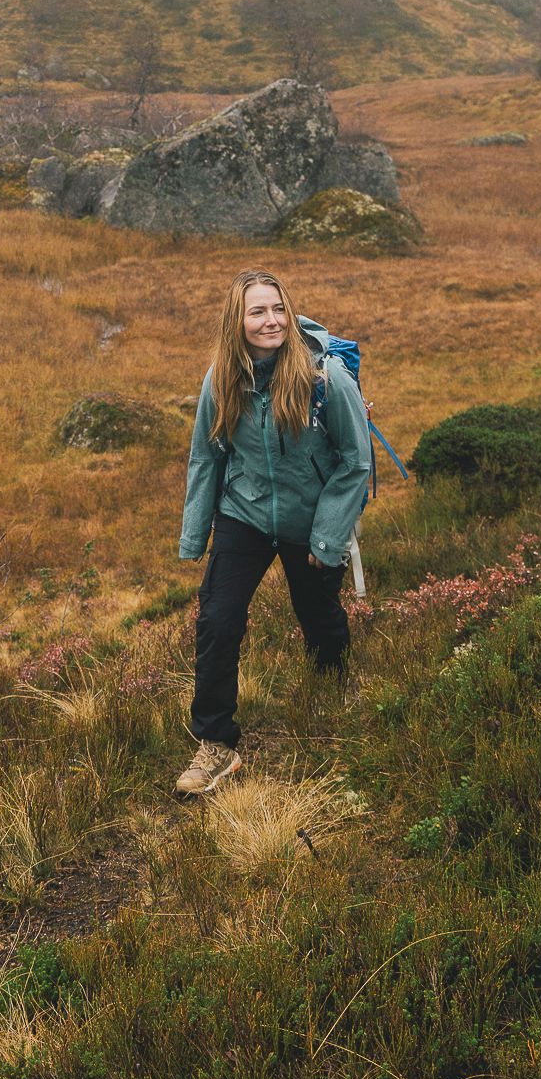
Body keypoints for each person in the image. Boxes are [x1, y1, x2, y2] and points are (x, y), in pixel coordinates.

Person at [174, 269, 372, 795]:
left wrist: (328, 538)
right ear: (235, 322)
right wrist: (196, 536)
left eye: (278, 308)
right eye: (257, 311)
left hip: (311, 521)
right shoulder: (220, 380)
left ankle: (329, 693)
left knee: (319, 617)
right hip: (246, 514)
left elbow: (356, 463)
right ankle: (216, 744)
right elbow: (205, 455)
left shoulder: (326, 379)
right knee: (218, 621)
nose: (271, 321)